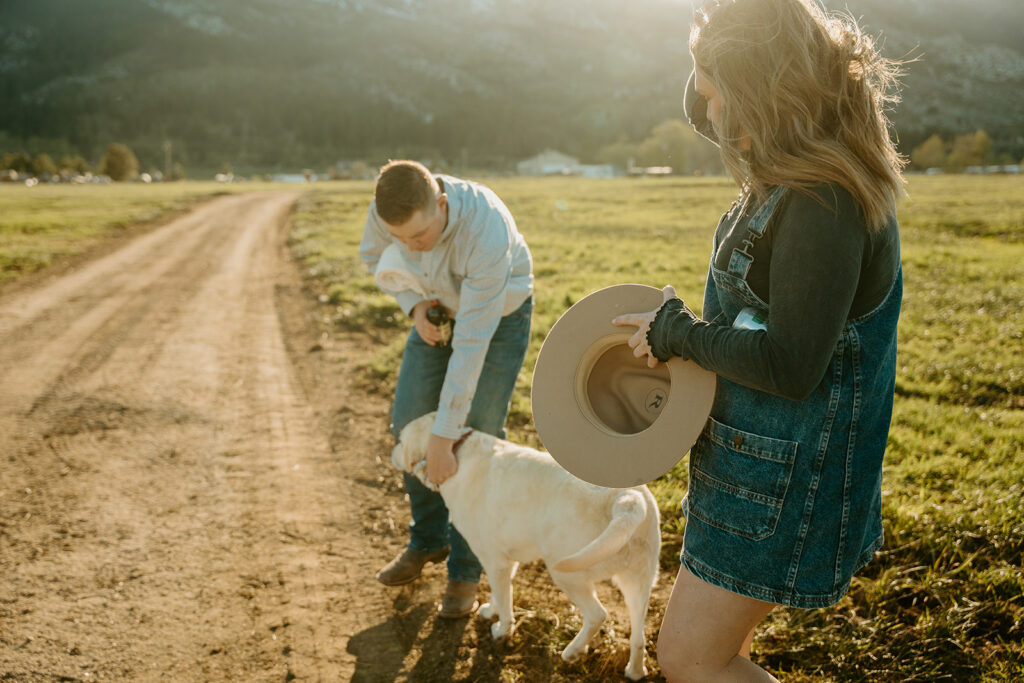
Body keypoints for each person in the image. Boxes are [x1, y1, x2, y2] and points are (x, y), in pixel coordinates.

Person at [612, 0, 906, 679]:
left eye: (719, 99)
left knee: (691, 658)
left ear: (757, 98)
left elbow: (791, 363)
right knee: (719, 655)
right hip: (749, 468)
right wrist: (715, 54)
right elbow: (708, 99)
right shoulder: (787, 167)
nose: (707, 116)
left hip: (782, 484)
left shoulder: (823, 200)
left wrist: (678, 332)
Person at [359, 160, 533, 618]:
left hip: (496, 319)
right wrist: (414, 305)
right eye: (404, 240)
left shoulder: (486, 229)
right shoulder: (386, 211)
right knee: (407, 421)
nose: (413, 248)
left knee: (472, 439)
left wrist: (444, 436)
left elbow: (471, 346)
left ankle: (465, 570)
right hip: (435, 308)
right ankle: (428, 540)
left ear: (440, 203)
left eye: (421, 237)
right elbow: (373, 256)